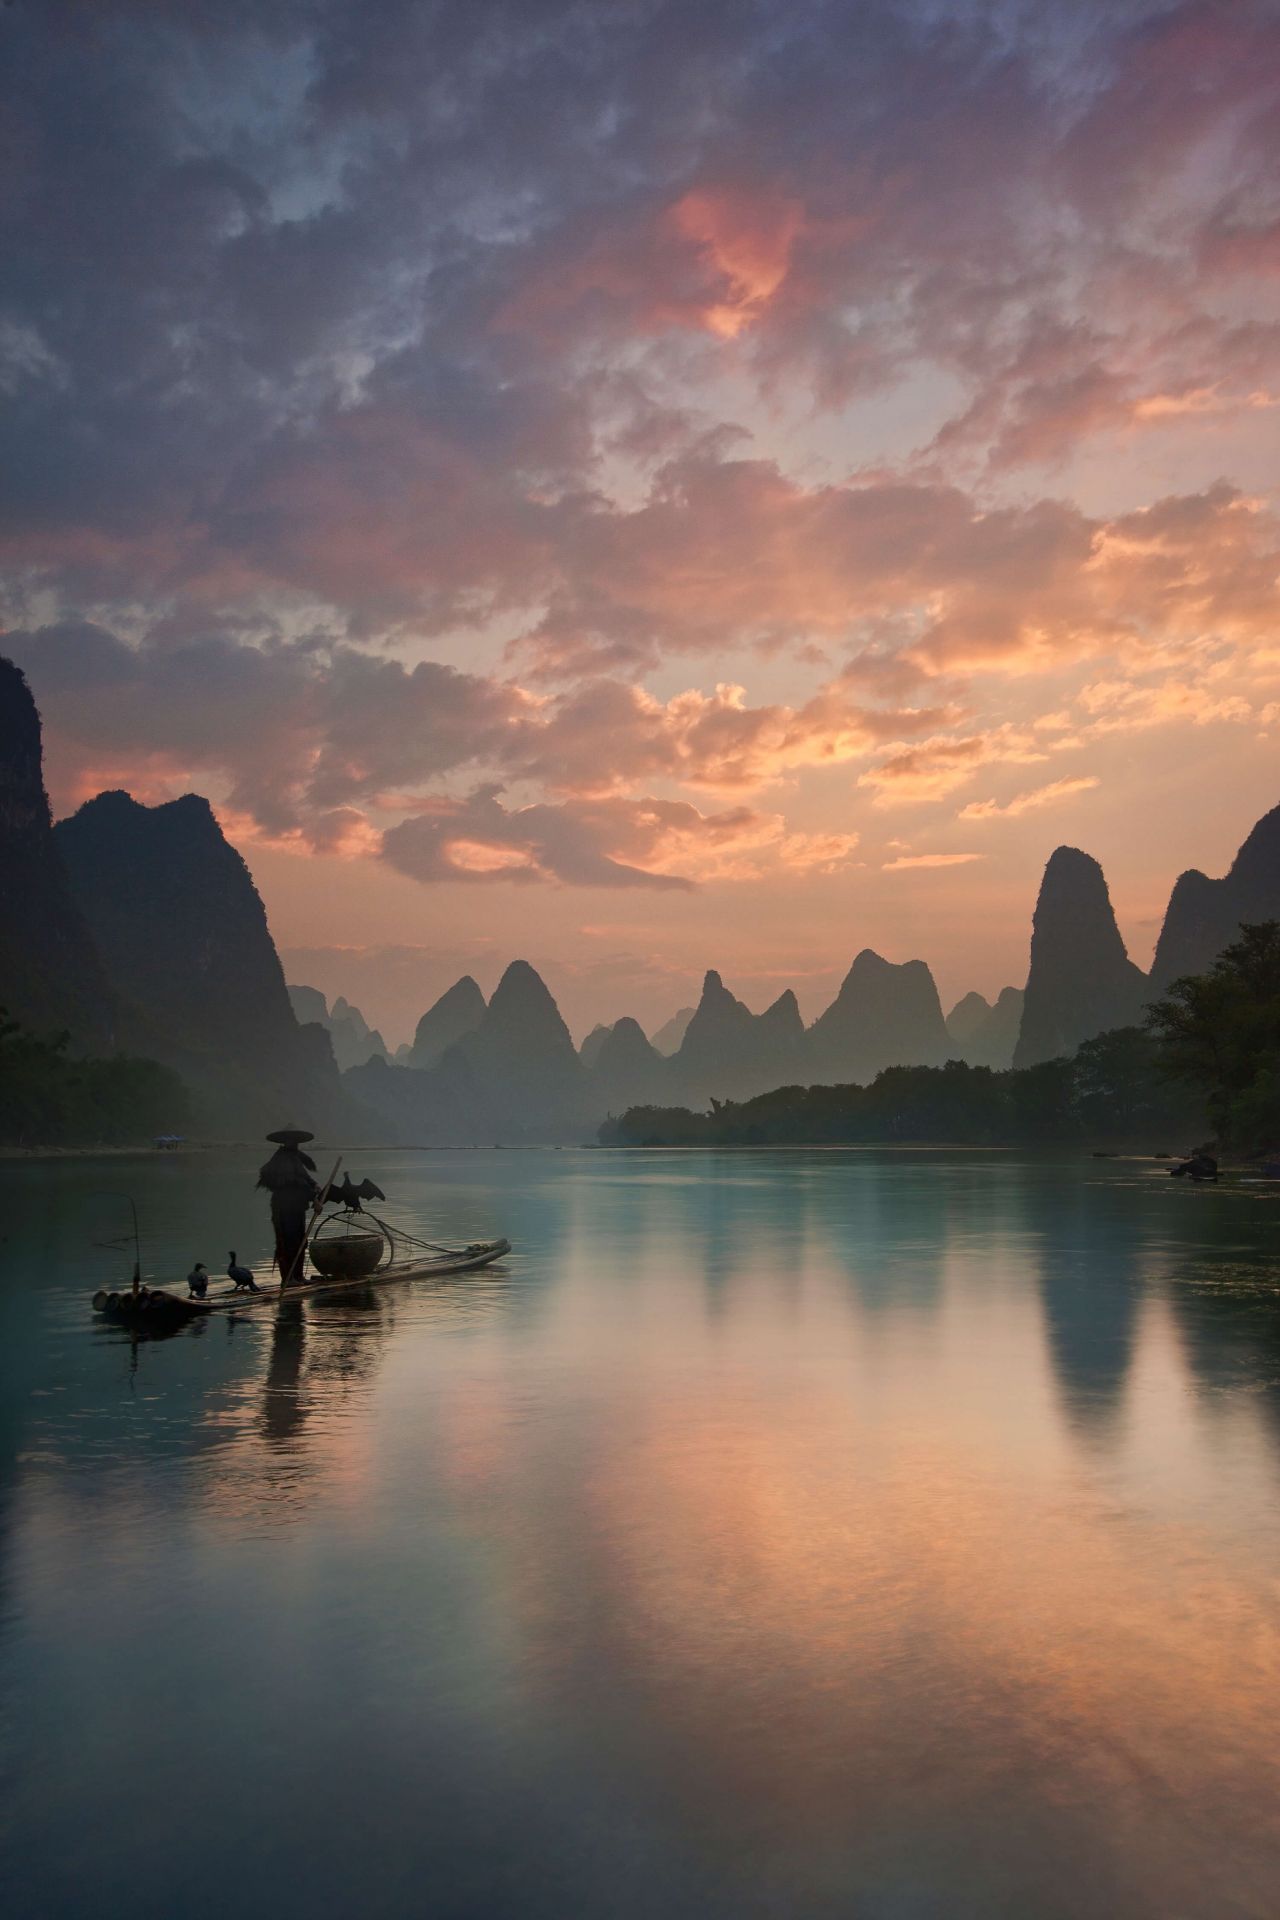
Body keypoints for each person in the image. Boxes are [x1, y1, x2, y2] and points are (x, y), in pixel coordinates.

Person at [256, 1127, 320, 1286]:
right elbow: (295, 1182)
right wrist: (314, 1198)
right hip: (284, 1208)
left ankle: (298, 1277)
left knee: (300, 1241)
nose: (294, 1143)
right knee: (287, 1242)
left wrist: (315, 1186)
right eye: (291, 1140)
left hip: (297, 1206)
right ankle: (288, 1279)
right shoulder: (282, 1159)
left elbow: (304, 1178)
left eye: (296, 1140)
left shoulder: (294, 1158)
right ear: (285, 1142)